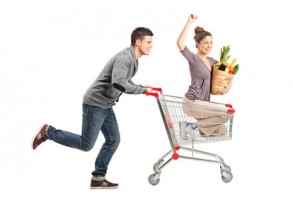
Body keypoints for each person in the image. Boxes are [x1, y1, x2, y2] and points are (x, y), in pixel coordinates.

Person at [32, 27, 157, 189]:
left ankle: (98, 178)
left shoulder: (134, 60)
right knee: (86, 144)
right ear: (138, 42)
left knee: (113, 139)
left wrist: (141, 87)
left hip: (106, 104)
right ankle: (48, 132)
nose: (151, 45)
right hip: (95, 103)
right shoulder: (125, 58)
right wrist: (142, 91)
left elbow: (123, 81)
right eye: (149, 42)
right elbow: (118, 82)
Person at [176, 14, 233, 139]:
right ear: (197, 44)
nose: (209, 46)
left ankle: (193, 128)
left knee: (221, 131)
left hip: (204, 103)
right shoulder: (193, 59)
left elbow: (229, 71)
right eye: (206, 43)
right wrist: (189, 22)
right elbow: (180, 43)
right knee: (228, 112)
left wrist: (228, 85)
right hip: (192, 102)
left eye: (211, 43)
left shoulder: (212, 61)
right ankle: (191, 127)